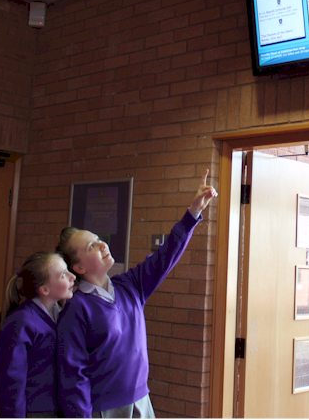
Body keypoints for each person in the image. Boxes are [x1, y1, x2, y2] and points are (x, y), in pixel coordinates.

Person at [56, 169, 217, 418]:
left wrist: (193, 212)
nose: (102, 244)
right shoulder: (77, 307)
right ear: (78, 268)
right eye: (91, 246)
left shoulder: (129, 286)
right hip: (103, 409)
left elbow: (166, 256)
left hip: (141, 400)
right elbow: (72, 374)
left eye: (99, 239)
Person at [0, 252, 77, 417]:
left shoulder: (61, 314)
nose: (72, 276)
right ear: (45, 289)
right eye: (63, 275)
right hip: (34, 412)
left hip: (59, 409)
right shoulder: (21, 322)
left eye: (68, 270)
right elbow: (11, 381)